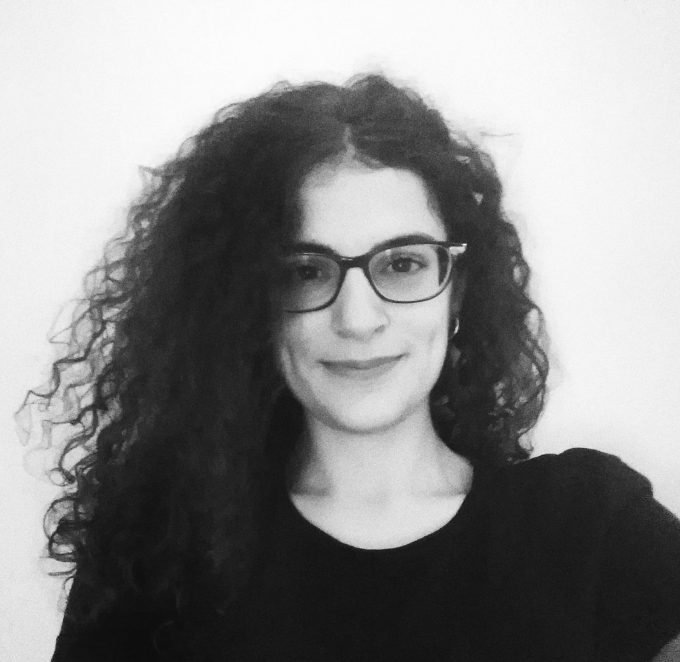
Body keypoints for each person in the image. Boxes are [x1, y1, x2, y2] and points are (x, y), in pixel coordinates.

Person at [20, 73, 680, 661]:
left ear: (458, 292)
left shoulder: (592, 528)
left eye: (403, 264)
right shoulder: (155, 555)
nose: (357, 319)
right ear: (248, 304)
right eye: (306, 272)